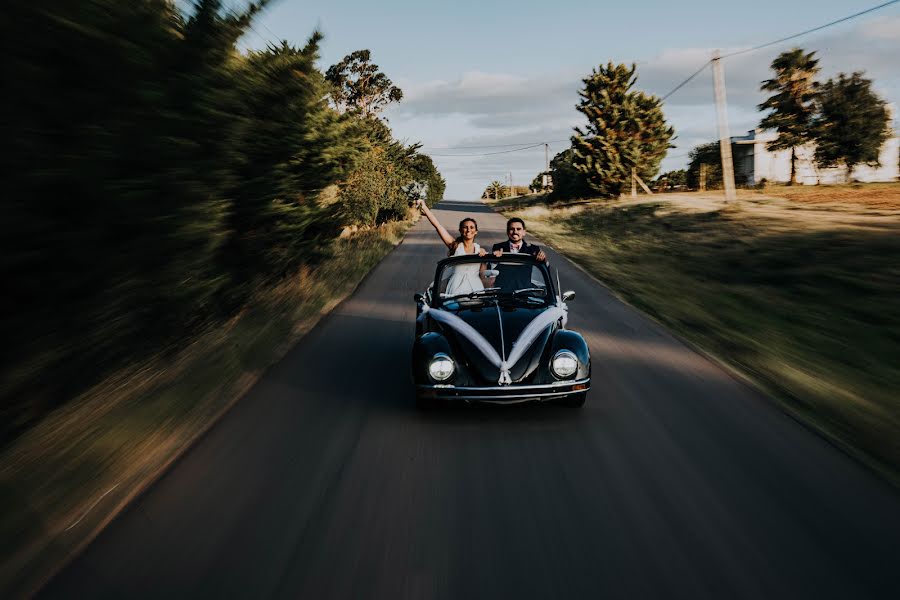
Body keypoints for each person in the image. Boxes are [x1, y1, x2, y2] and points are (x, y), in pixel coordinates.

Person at [416, 200, 487, 296]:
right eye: (465, 227)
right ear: (461, 230)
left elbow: (483, 275)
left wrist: (484, 260)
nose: (468, 230)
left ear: (476, 231)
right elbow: (438, 226)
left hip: (476, 288)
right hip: (456, 287)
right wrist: (424, 207)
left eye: (471, 227)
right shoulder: (455, 245)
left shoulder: (480, 250)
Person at [491, 217, 547, 292]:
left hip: (525, 292)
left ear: (524, 232)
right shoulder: (498, 247)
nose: (515, 231)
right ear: (507, 232)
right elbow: (491, 270)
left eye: (518, 229)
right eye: (512, 229)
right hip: (504, 292)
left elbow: (542, 270)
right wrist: (494, 259)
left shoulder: (533, 249)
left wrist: (543, 257)